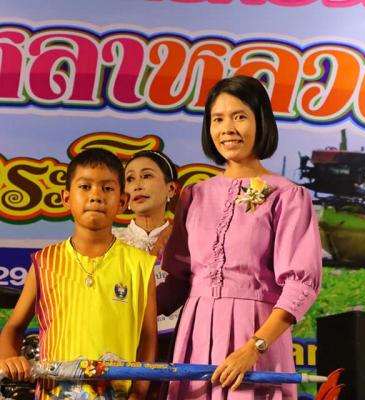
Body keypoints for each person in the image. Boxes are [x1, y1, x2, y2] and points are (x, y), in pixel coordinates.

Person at [157, 75, 322, 400]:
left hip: (257, 337)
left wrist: (254, 347)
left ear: (261, 122)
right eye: (217, 119)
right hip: (196, 336)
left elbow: (301, 285)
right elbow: (177, 283)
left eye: (239, 117)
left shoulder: (288, 195)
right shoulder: (194, 196)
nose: (227, 129)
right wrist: (118, 304)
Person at [0, 148, 157, 400]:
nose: (96, 196)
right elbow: (13, 327)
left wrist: (139, 393)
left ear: (122, 201)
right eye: (85, 187)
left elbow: (148, 339)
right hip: (54, 393)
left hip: (117, 394)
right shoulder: (44, 261)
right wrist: (9, 357)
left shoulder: (140, 264)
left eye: (107, 188)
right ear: (66, 198)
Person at [112, 150, 179, 400]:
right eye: (130, 179)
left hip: (179, 350)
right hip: (123, 350)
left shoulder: (191, 239)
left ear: (171, 188)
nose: (137, 185)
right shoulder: (111, 242)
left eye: (147, 176)